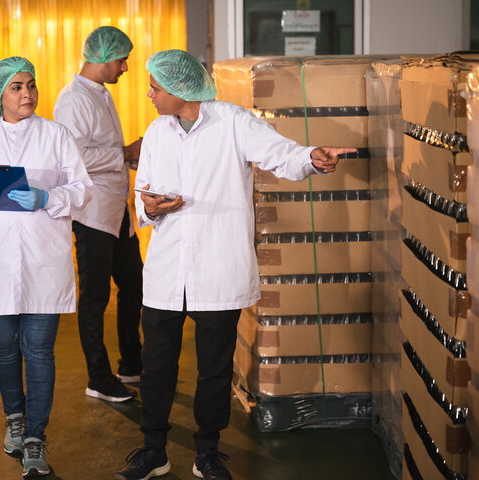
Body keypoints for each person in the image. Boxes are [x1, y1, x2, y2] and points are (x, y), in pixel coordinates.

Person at [114, 49, 355, 480]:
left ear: (179, 89)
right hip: (167, 271)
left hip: (218, 268)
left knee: (214, 368)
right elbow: (142, 200)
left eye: (155, 87)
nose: (149, 94)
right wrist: (153, 206)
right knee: (157, 366)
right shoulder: (156, 132)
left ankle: (207, 452)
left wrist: (312, 157)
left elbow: (281, 154)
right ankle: (154, 449)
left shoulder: (233, 122)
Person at [0, 56, 92, 477]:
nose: (27, 93)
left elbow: (82, 188)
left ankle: (35, 439)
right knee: (4, 349)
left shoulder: (56, 135)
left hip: (45, 261)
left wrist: (49, 199)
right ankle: (15, 419)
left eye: (31, 85)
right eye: (16, 87)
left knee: (40, 352)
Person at [54, 26, 143, 404]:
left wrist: (132, 159)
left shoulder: (100, 94)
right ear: (104, 58)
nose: (124, 67)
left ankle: (132, 364)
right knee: (95, 298)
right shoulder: (74, 99)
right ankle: (99, 378)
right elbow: (75, 158)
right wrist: (124, 153)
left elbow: (100, 150)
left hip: (116, 210)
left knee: (135, 285)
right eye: (121, 60)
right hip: (91, 214)